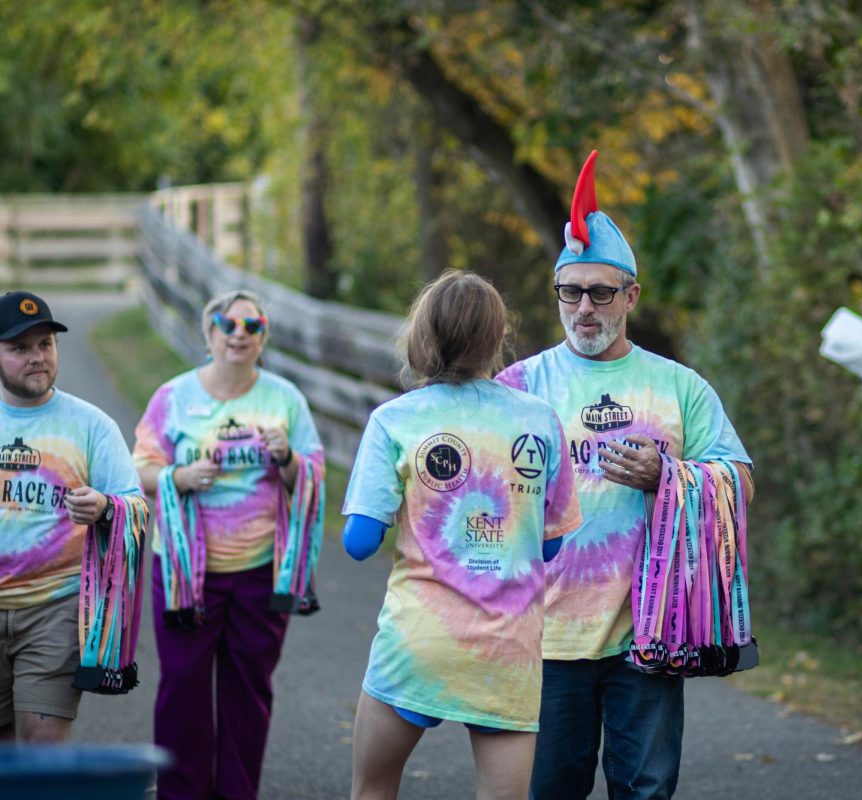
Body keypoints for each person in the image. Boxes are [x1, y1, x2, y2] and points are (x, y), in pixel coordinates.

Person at [496, 150, 754, 799]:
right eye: (570, 291)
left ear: (631, 296)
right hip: (546, 635)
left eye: (602, 292)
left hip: (650, 631)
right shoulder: (519, 385)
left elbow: (739, 482)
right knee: (550, 789)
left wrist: (667, 477)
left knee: (645, 790)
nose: (585, 307)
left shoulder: (679, 386)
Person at [340, 270, 581, 800]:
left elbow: (358, 544)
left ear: (422, 336)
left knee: (373, 790)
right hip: (507, 650)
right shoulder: (540, 420)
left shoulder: (394, 420)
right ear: (498, 338)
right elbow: (550, 544)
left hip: (418, 643)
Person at [133, 290, 325, 800]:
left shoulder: (284, 399)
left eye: (252, 324)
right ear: (209, 333)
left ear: (262, 336)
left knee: (248, 691)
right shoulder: (172, 397)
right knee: (182, 691)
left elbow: (314, 473)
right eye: (227, 323)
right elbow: (140, 468)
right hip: (181, 573)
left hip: (260, 570)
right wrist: (180, 475)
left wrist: (287, 461)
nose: (239, 333)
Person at [0, 290, 146, 742]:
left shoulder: (92, 425)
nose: (36, 357)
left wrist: (105, 508)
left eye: (45, 344)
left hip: (57, 609)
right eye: (19, 348)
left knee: (41, 755)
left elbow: (136, 506)